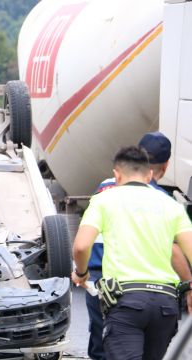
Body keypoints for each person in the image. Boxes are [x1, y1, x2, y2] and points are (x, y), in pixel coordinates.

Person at [72, 146, 192, 360]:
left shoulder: (104, 200)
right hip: (165, 305)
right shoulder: (171, 205)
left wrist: (81, 274)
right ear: (149, 176)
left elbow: (81, 247)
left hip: (126, 303)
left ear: (116, 175)